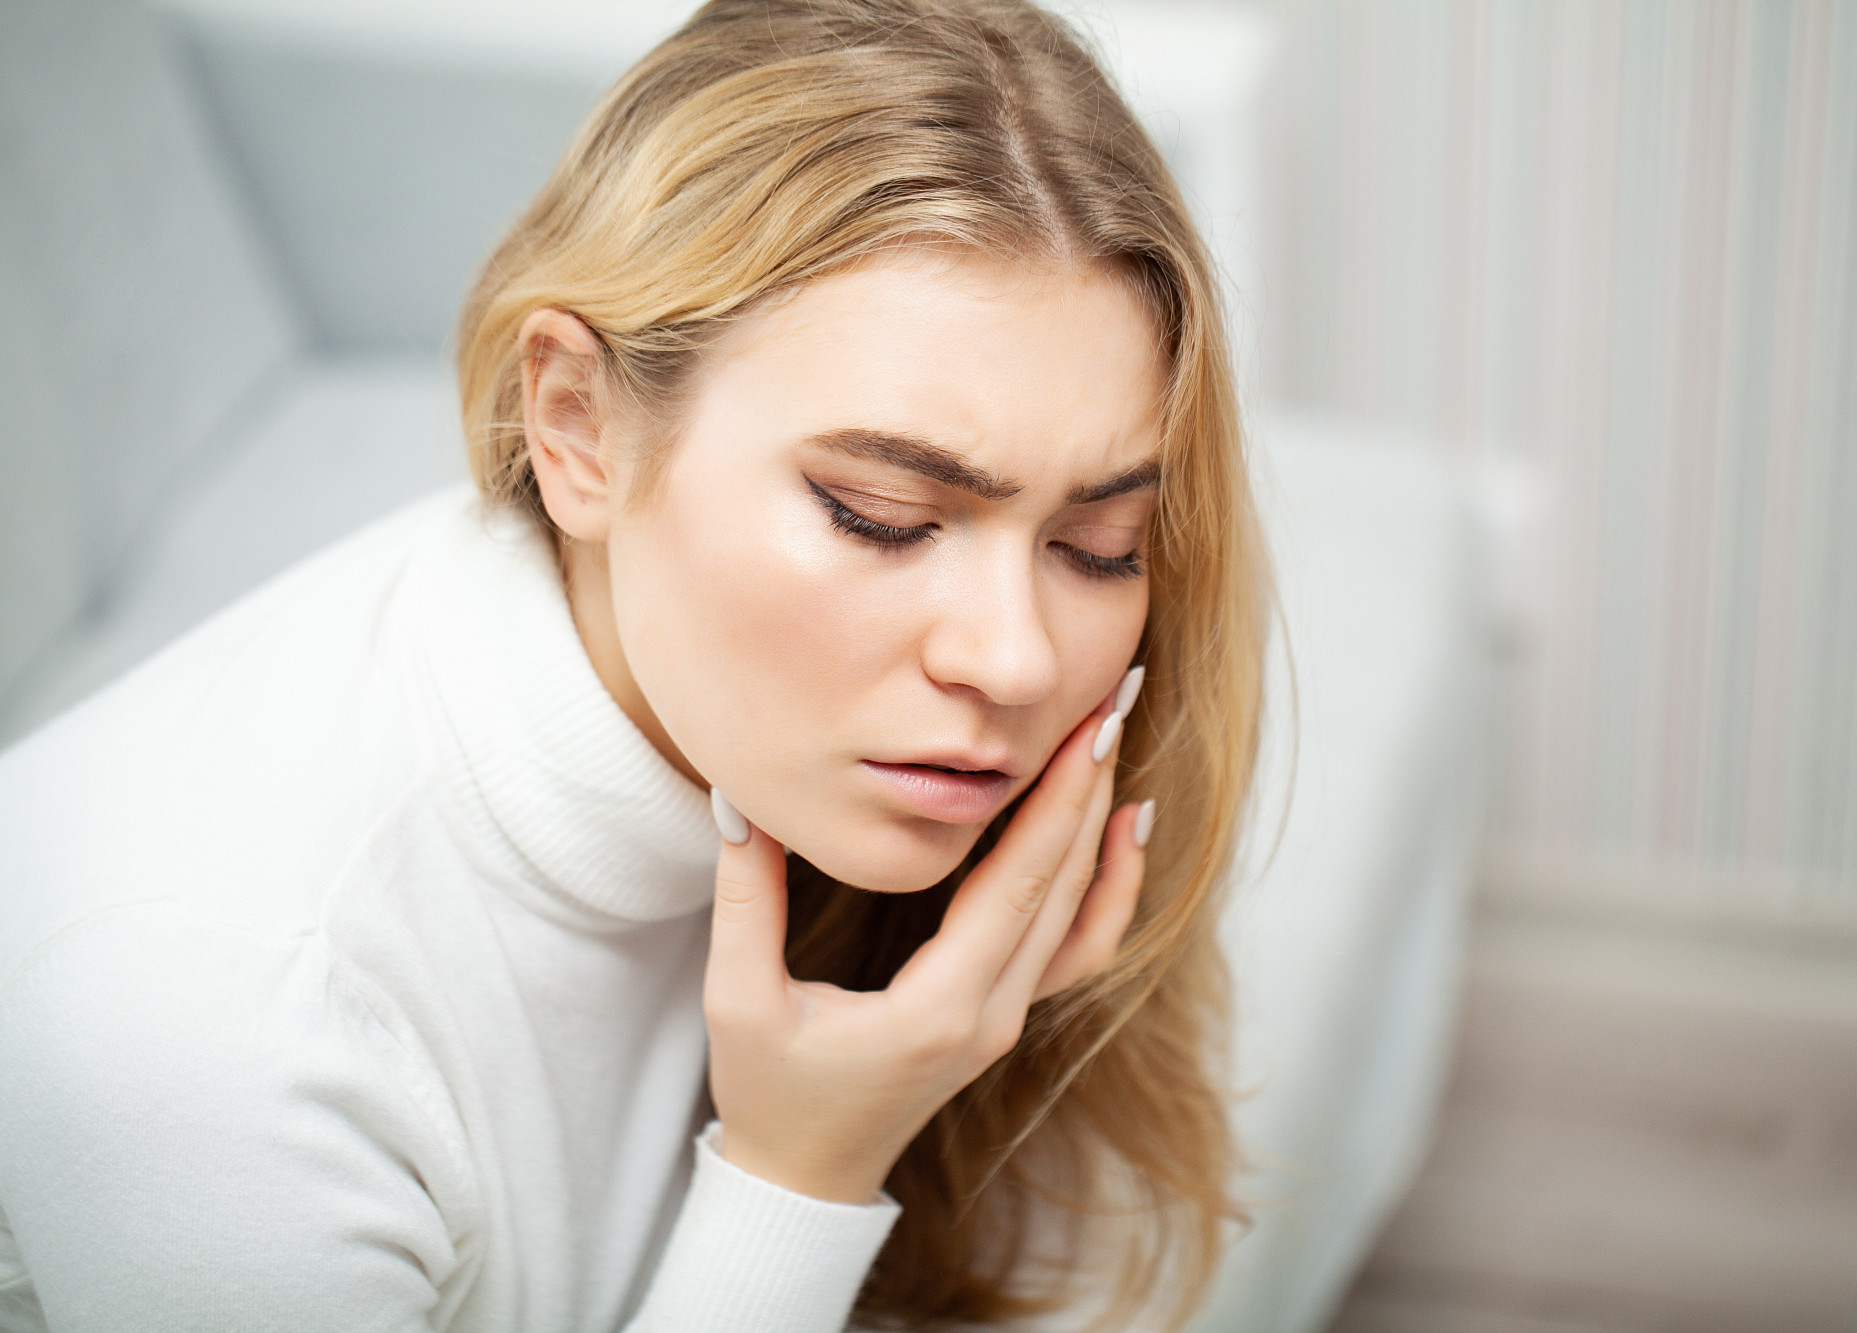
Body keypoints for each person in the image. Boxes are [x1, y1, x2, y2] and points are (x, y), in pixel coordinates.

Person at [0, 0, 1267, 1328]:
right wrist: (801, 1171)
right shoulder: (211, 1027)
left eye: (1100, 545)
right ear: (577, 426)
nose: (1013, 659)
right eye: (880, 516)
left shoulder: (739, 727)